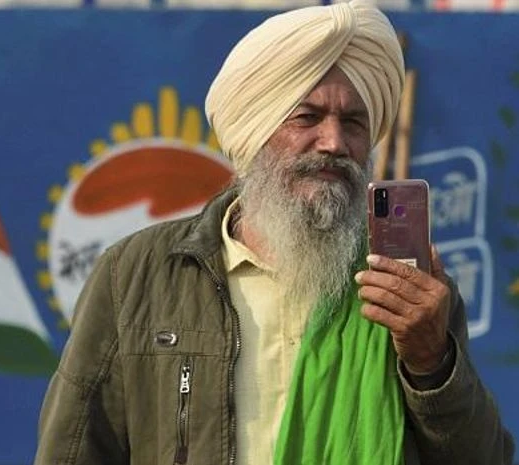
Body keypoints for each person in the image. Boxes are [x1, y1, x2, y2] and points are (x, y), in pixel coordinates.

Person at [34, 1, 515, 463]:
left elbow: (485, 457)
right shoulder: (135, 275)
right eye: (307, 117)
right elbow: (73, 449)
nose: (333, 142)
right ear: (254, 129)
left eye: (353, 122)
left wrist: (432, 364)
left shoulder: (406, 287)